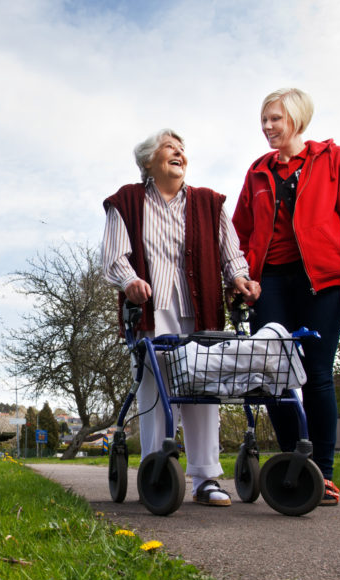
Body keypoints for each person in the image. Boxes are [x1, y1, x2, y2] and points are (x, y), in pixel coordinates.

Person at [102, 129, 260, 507]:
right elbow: (113, 256)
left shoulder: (209, 202)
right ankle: (158, 472)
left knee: (203, 391)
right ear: (147, 163)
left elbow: (231, 255)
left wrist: (240, 278)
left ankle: (205, 479)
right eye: (169, 148)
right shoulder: (127, 200)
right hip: (151, 311)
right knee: (154, 391)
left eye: (181, 149)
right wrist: (130, 281)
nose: (178, 154)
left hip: (200, 309)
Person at [232, 88, 340, 506]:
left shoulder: (335, 160)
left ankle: (322, 474)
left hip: (323, 281)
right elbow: (238, 233)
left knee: (317, 373)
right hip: (270, 281)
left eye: (275, 118)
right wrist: (239, 277)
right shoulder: (257, 172)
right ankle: (295, 462)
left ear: (296, 118)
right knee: (273, 375)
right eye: (264, 120)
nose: (268, 127)